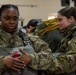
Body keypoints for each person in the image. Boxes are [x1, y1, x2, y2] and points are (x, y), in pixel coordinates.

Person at [1, 4, 76, 75]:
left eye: (15, 19)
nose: (11, 22)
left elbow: (49, 56)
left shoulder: (30, 38)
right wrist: (2, 62)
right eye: (7, 18)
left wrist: (31, 59)